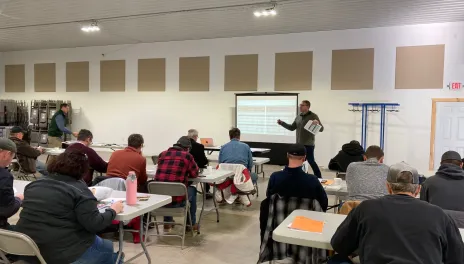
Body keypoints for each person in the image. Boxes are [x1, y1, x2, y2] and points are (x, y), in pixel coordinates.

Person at [330, 162, 464, 264]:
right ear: (417, 189)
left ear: (388, 187)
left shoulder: (365, 209)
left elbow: (339, 244)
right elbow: (457, 258)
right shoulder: (439, 215)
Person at [15, 150, 124, 264]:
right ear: (83, 171)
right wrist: (113, 210)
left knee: (106, 246)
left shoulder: (33, 185)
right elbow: (95, 224)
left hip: (27, 248)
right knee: (112, 254)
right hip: (61, 253)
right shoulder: (79, 191)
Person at [260, 144, 328, 241]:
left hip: (280, 225)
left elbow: (270, 199)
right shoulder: (312, 180)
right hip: (305, 230)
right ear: (304, 158)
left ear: (287, 156)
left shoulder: (275, 177)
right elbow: (323, 204)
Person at [155, 136, 199, 231]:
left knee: (166, 187)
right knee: (192, 190)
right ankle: (190, 224)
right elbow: (195, 174)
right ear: (187, 148)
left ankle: (167, 222)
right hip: (177, 201)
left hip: (160, 201)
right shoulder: (187, 156)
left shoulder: (162, 154)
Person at [277, 100, 324, 178]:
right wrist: (282, 123)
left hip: (308, 144)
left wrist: (317, 123)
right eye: (300, 105)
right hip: (299, 144)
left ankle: (319, 177)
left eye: (302, 105)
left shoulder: (313, 116)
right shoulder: (299, 116)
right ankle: (303, 176)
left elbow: (321, 129)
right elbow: (292, 128)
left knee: (311, 161)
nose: (300, 106)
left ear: (308, 107)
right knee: (300, 162)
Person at [0, 138, 23, 230]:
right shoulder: (4, 176)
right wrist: (18, 199)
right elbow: (6, 210)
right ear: (7, 154)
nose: (10, 161)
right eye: (12, 156)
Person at [187, 129, 210, 196]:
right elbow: (203, 161)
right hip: (196, 169)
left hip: (185, 170)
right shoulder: (199, 146)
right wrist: (207, 160)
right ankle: (207, 192)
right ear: (195, 136)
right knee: (206, 168)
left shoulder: (183, 145)